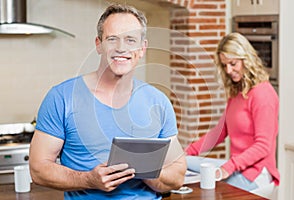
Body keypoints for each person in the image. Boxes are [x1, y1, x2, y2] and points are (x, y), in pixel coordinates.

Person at [29, 4, 186, 200]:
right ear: (98, 44)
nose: (121, 48)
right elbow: (38, 169)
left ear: (142, 48)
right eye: (112, 39)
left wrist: (147, 171)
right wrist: (88, 180)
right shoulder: (61, 98)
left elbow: (178, 175)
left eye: (130, 40)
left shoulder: (159, 102)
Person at [185, 32, 279, 198]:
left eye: (233, 63)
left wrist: (227, 168)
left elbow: (263, 146)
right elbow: (219, 133)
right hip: (237, 168)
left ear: (246, 59)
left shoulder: (263, 94)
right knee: (182, 163)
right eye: (225, 65)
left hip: (257, 174)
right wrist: (187, 152)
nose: (229, 70)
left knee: (207, 193)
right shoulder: (238, 93)